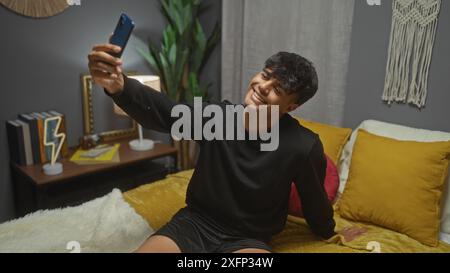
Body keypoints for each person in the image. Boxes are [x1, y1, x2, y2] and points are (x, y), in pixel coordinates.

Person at [88, 44, 365, 253]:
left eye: (277, 88)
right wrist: (119, 86)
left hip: (249, 239)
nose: (261, 87)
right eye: (265, 75)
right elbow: (166, 113)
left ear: (292, 106)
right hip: (194, 224)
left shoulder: (303, 145)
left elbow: (313, 198)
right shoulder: (217, 118)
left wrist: (330, 231)